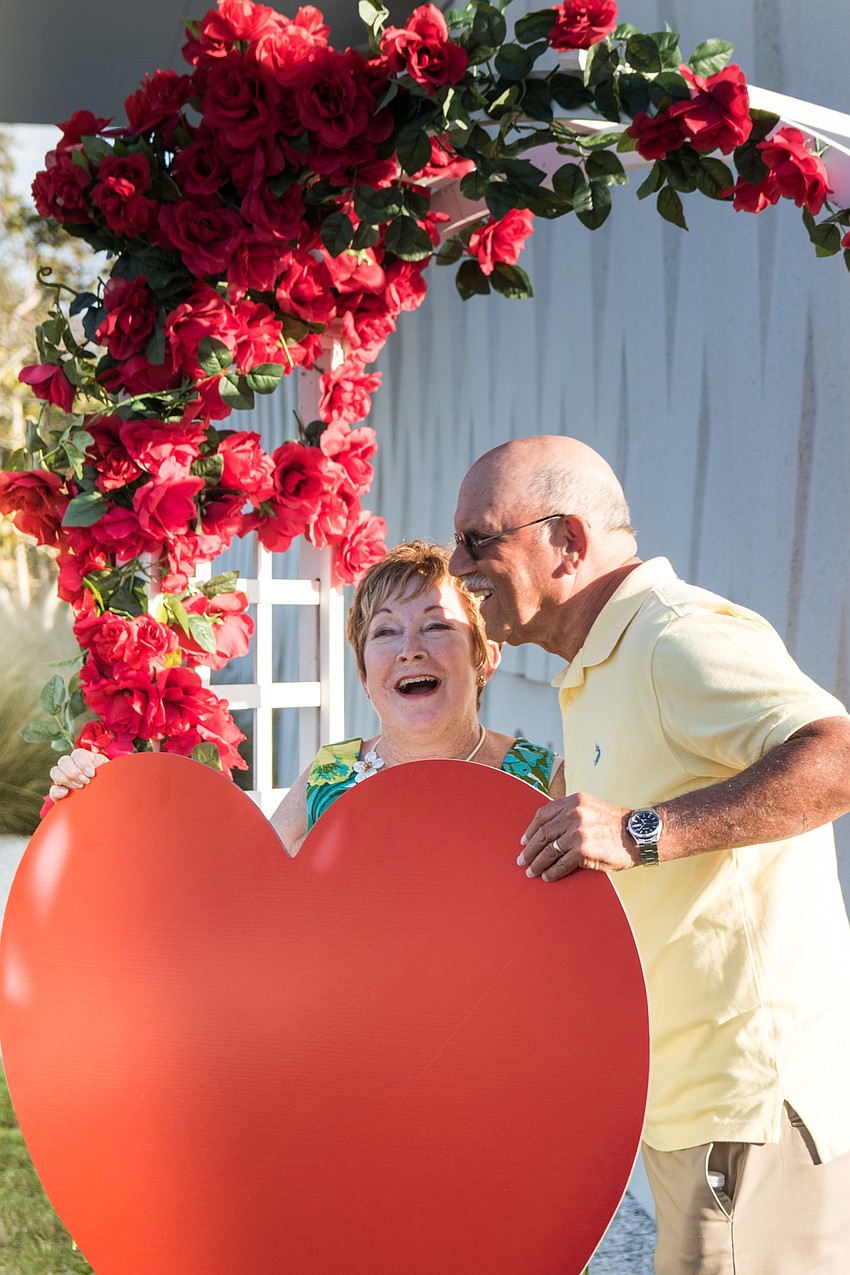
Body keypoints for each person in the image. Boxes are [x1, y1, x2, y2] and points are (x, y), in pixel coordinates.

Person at [448, 434, 850, 1275]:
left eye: (480, 539)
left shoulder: (674, 639)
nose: (459, 563)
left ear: (568, 542)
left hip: (747, 1114)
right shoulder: (599, 667)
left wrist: (643, 831)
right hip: (686, 1113)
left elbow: (837, 754)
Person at [49, 541, 565, 851]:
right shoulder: (330, 776)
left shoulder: (547, 781)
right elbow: (242, 884)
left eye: (436, 627)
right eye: (385, 633)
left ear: (484, 658)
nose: (410, 650)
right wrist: (102, 803)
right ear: (365, 675)